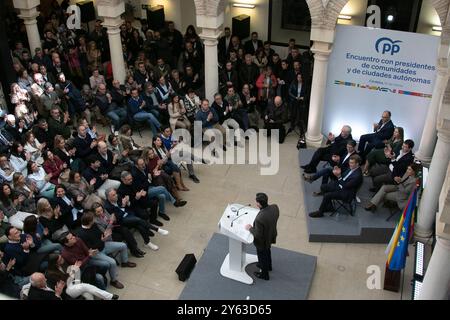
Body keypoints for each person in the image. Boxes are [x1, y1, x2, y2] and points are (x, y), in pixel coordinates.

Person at [244, 193, 279, 281]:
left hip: (262, 242)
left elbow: (258, 235)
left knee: (262, 256)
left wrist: (250, 228)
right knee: (267, 251)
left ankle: (264, 274)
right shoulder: (275, 207)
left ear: (259, 204)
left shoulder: (260, 218)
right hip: (271, 235)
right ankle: (269, 266)